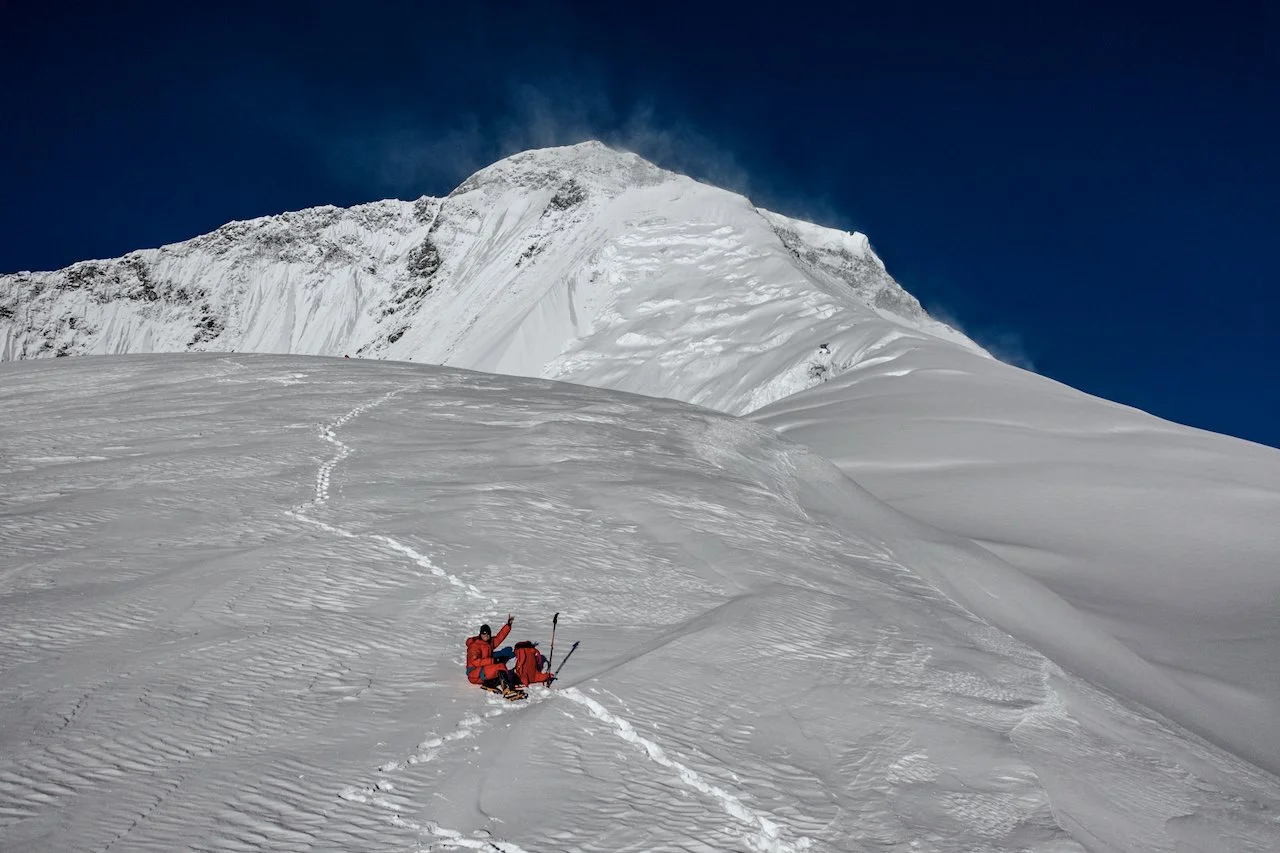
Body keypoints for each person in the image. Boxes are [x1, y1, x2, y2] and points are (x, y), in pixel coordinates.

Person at [466, 616, 520, 695]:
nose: (486, 636)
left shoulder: (489, 643)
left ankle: (488, 684)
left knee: (503, 672)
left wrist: (508, 625)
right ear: (480, 634)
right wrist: (493, 660)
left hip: (482, 670)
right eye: (483, 634)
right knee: (500, 667)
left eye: (488, 634)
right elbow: (475, 662)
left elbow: (499, 637)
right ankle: (507, 690)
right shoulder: (475, 646)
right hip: (474, 674)